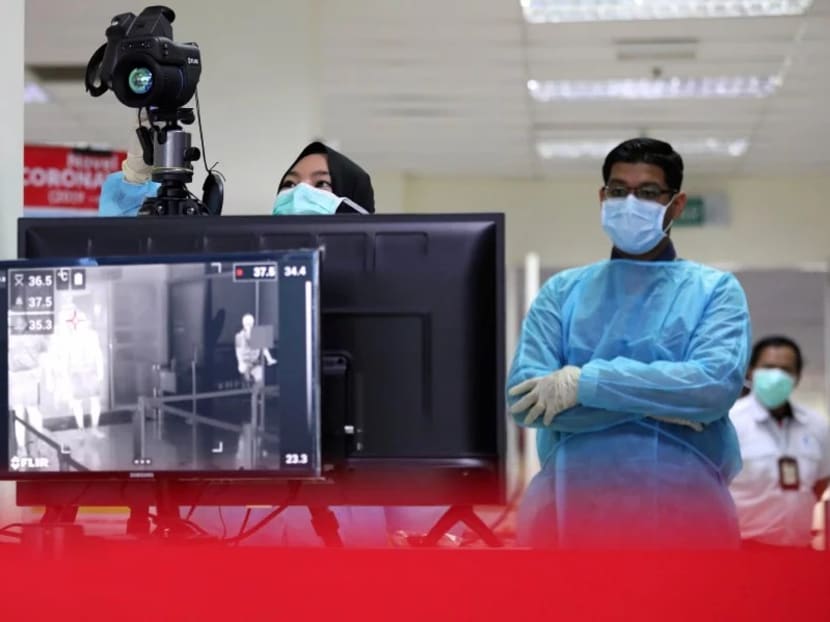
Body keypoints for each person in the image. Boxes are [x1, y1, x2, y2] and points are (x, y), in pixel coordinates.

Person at [507, 138, 752, 549]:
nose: (630, 202)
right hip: (568, 517)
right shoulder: (562, 292)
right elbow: (526, 400)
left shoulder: (715, 291)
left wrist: (583, 383)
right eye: (619, 191)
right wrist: (664, 400)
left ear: (675, 205)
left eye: (649, 192)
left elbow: (712, 388)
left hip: (688, 522)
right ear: (603, 198)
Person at [729, 336, 830, 550]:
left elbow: (820, 485)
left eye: (786, 369)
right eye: (769, 367)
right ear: (751, 371)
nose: (776, 376)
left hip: (799, 549)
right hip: (743, 549)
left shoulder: (817, 425)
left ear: (797, 377)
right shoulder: (730, 422)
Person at [234, 313, 276, 386]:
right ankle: (247, 384)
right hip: (245, 363)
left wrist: (269, 359)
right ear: (243, 324)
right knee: (244, 371)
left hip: (255, 363)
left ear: (253, 323)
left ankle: (254, 396)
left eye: (250, 323)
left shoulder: (258, 334)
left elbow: (264, 349)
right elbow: (238, 351)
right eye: (247, 323)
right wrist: (240, 362)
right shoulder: (239, 336)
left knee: (260, 379)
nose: (249, 325)